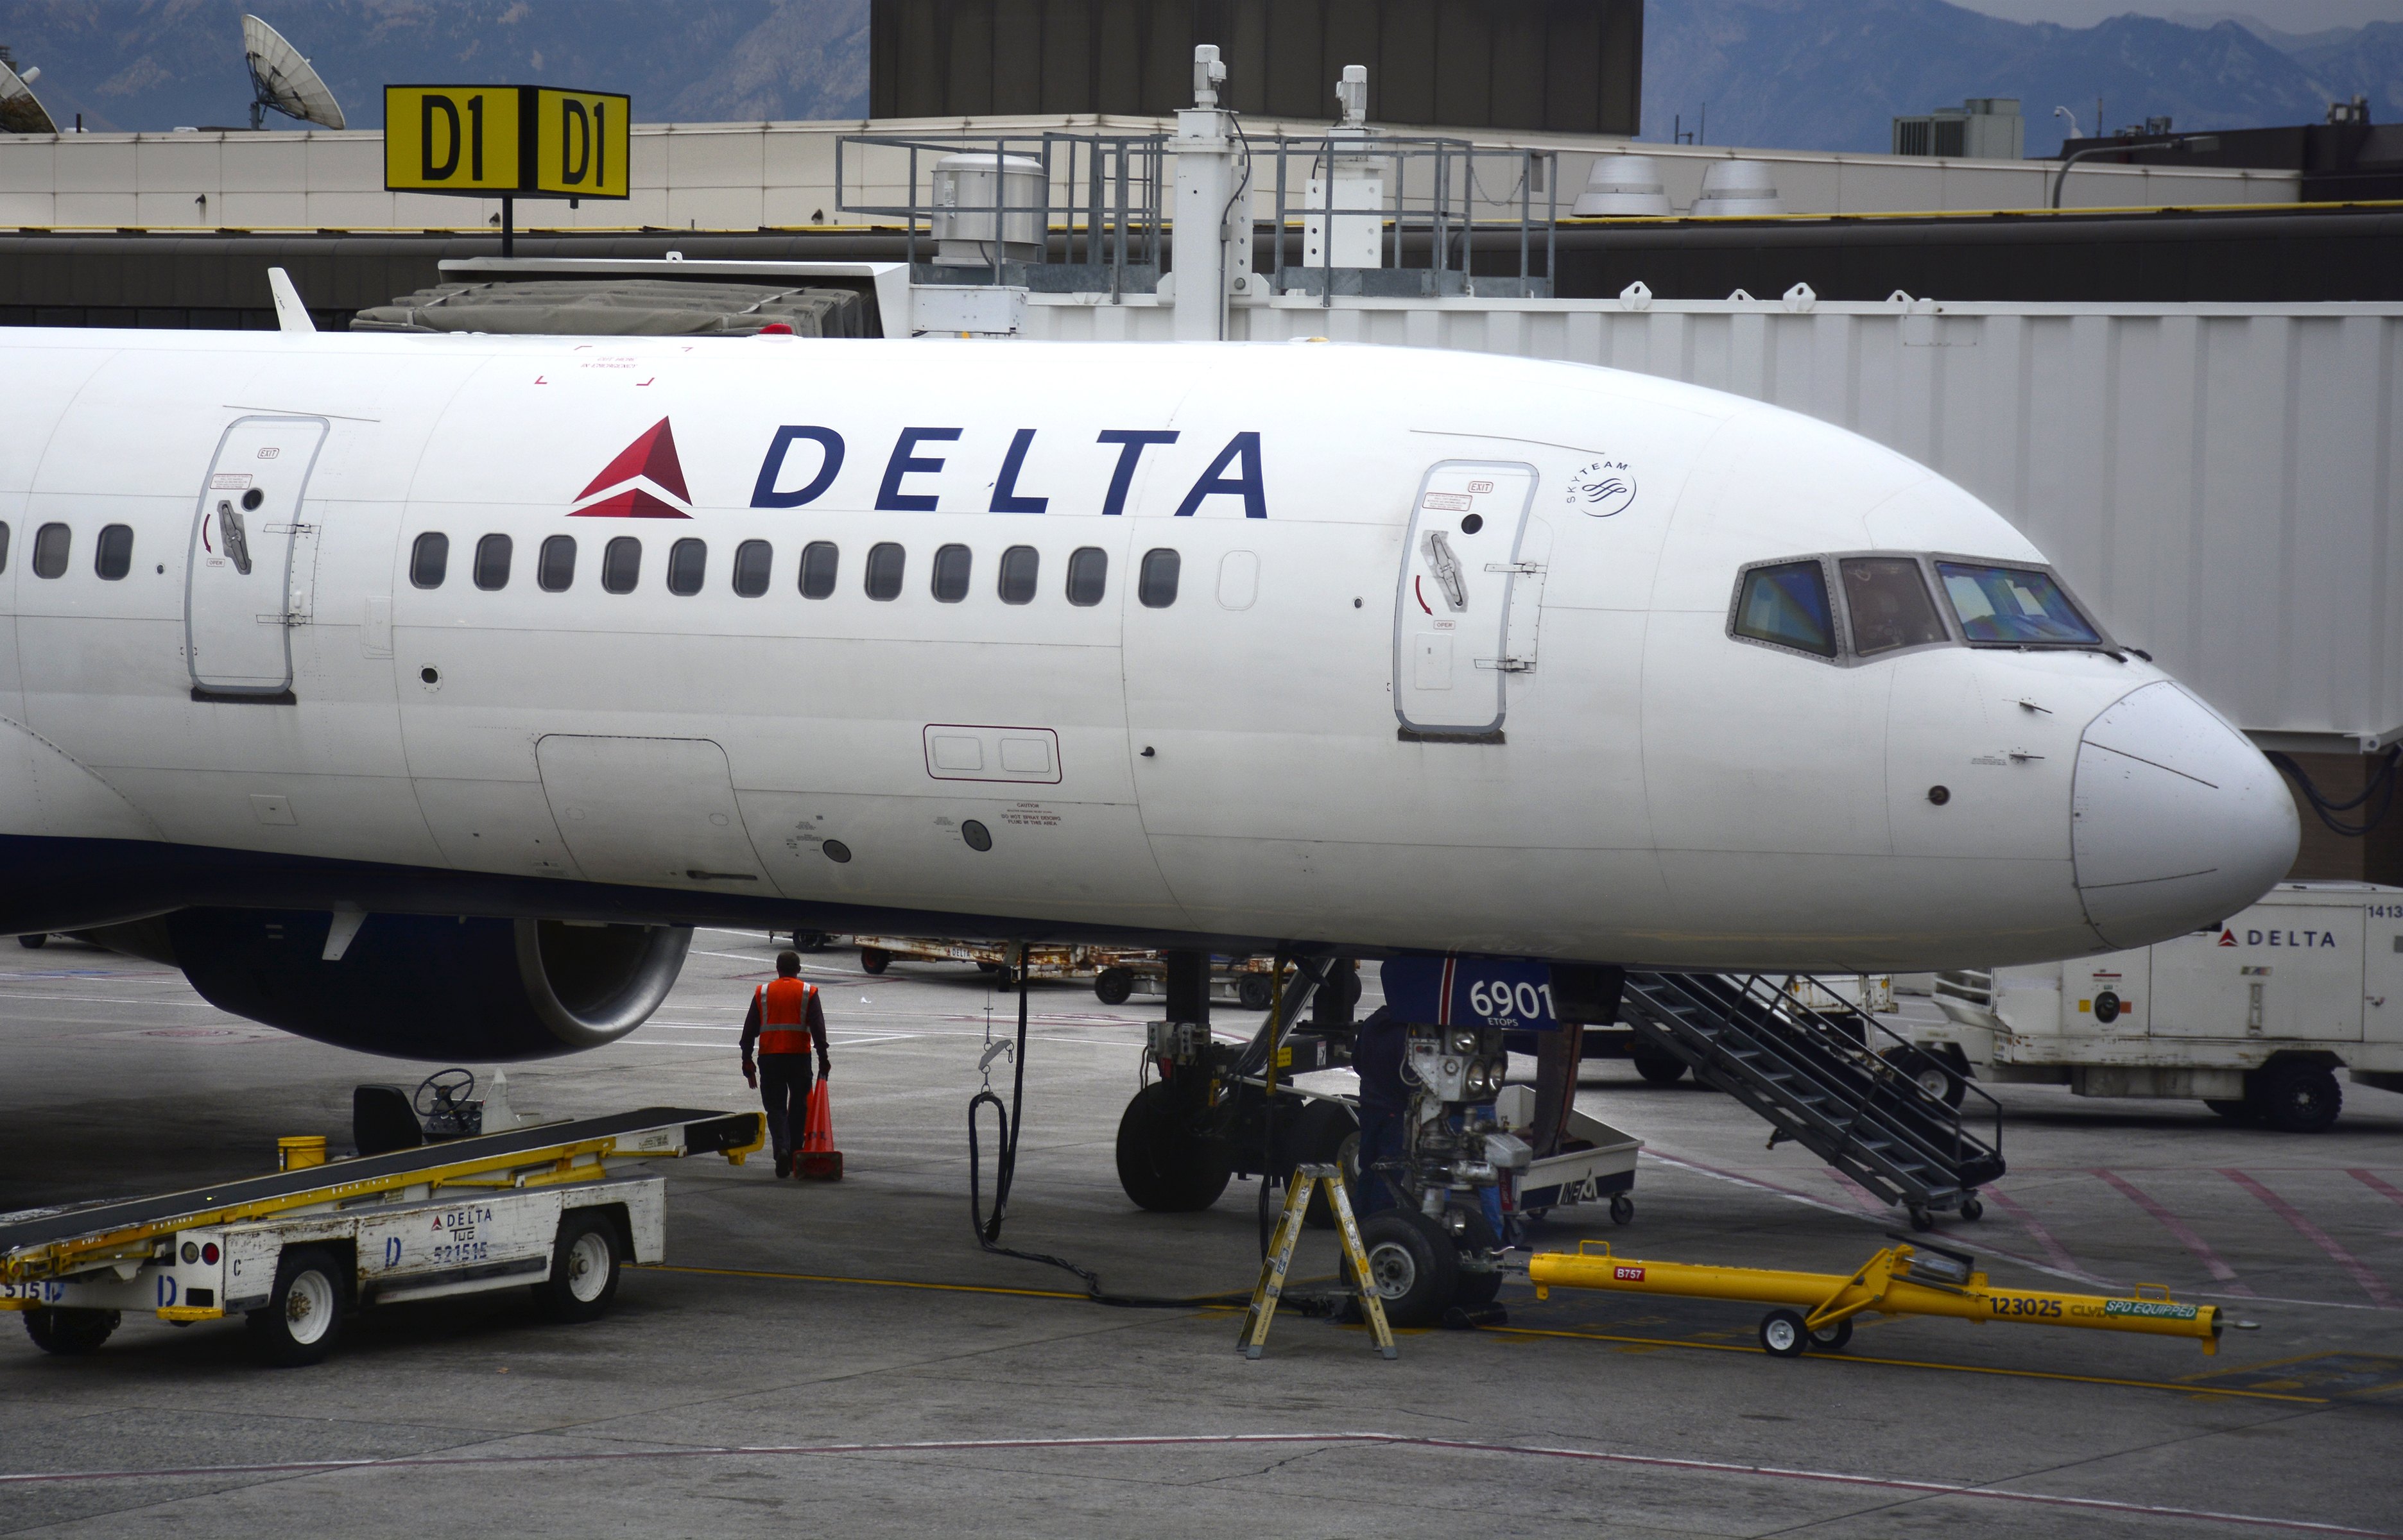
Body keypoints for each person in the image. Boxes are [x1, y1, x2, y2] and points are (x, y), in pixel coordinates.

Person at [741, 950, 831, 1177]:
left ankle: (781, 1148)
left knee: (776, 1108)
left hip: (770, 1058)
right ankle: (793, 1153)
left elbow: (749, 1029)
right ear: (798, 969)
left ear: (777, 968)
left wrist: (746, 1059)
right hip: (799, 1058)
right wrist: (823, 1058)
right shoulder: (808, 992)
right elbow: (819, 1029)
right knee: (800, 1106)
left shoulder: (763, 992)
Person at [1351, 1004, 1408, 1213]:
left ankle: (1360, 1225)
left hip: (1369, 1104)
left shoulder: (1370, 1024)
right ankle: (1380, 1221)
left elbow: (1357, 1061)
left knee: (1368, 1168)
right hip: (1393, 1108)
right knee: (1390, 1172)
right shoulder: (1405, 1032)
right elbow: (1407, 1076)